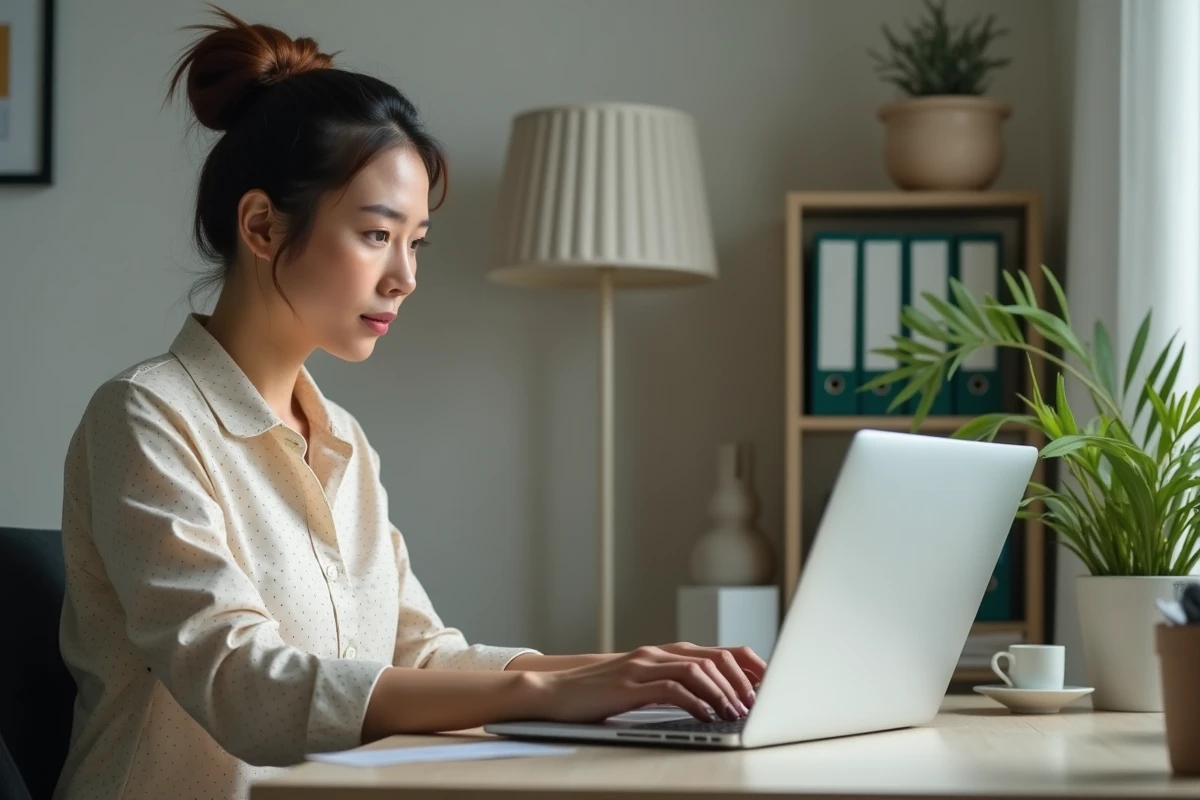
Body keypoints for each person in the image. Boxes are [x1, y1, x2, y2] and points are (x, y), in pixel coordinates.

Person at [52, 8, 765, 800]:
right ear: (260, 225)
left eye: (415, 241)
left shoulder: (342, 441)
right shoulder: (146, 417)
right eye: (376, 234)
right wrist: (548, 694)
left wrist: (631, 671)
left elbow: (418, 656)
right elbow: (242, 683)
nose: (405, 278)